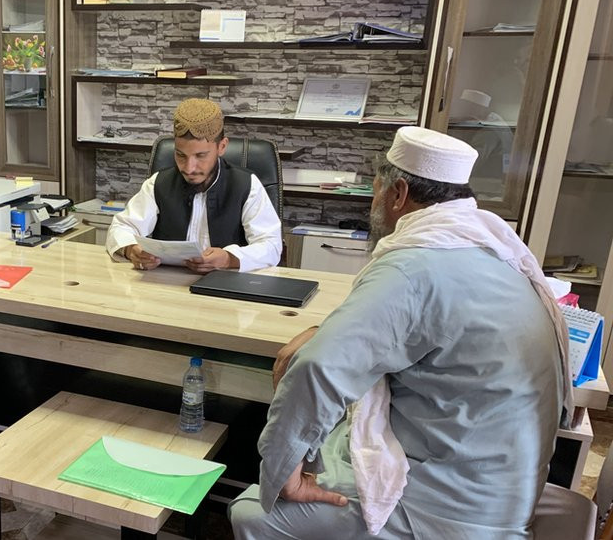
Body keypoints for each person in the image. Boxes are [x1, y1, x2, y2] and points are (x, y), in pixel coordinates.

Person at [228, 126, 571, 538]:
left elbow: (316, 369)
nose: (374, 202)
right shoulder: (490, 246)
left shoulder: (413, 265)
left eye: (376, 190)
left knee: (253, 510)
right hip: (501, 487)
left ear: (398, 193)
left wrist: (285, 469)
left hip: (450, 509)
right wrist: (328, 328)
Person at [105, 98, 282, 273]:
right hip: (166, 286)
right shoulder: (159, 182)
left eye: (201, 156)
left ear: (222, 147)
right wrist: (131, 250)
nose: (189, 168)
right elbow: (121, 227)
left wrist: (229, 258)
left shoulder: (246, 185)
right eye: (181, 155)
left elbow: (271, 246)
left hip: (227, 288)